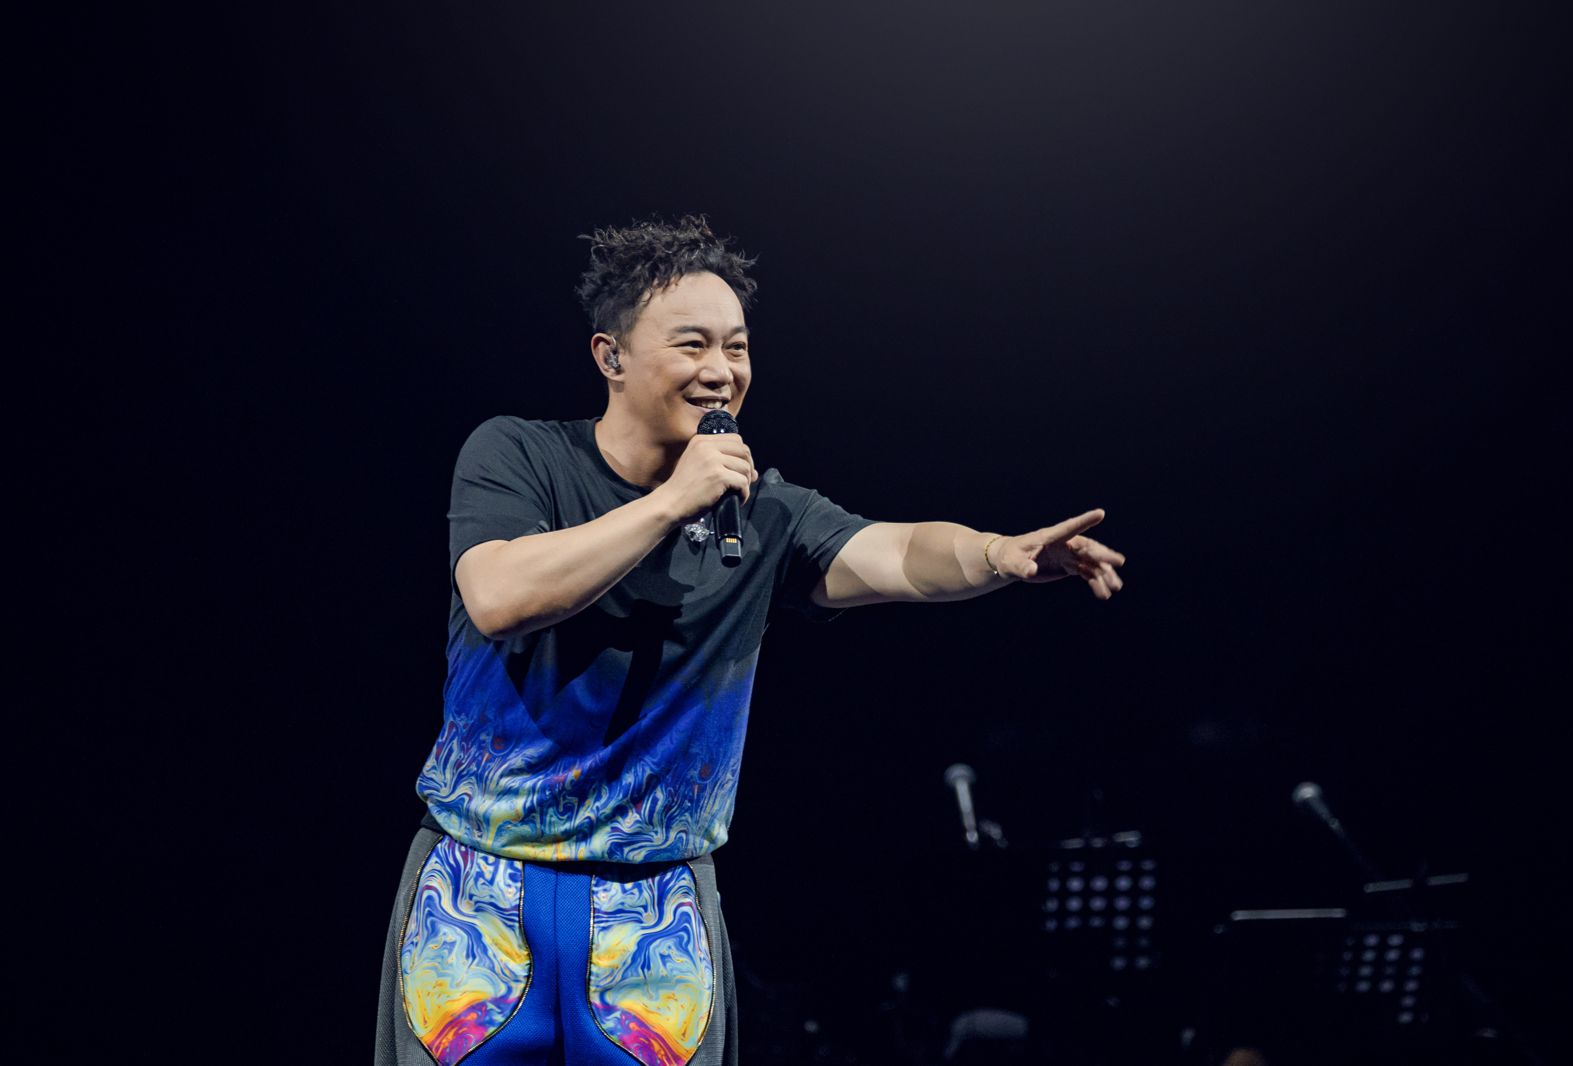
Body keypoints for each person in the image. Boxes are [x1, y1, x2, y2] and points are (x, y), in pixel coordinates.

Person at [376, 215, 1126, 1066]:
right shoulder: (517, 454)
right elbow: (499, 596)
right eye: (692, 344)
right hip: (478, 893)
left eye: (736, 347)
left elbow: (898, 551)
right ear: (610, 356)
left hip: (655, 912)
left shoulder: (763, 512)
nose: (722, 371)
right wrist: (671, 503)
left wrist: (997, 554)